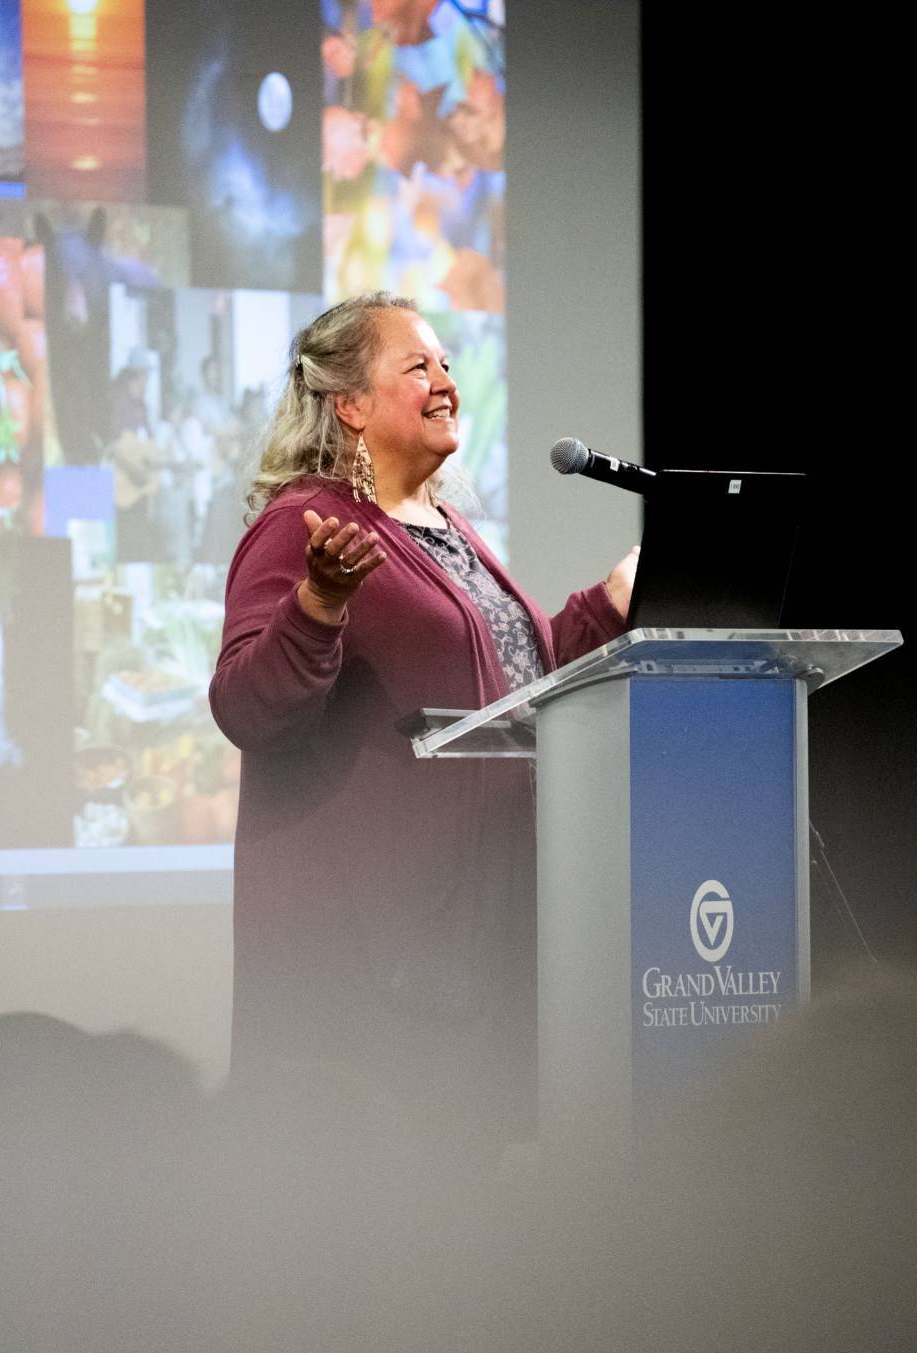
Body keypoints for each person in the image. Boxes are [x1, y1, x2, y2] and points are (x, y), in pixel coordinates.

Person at [208, 292, 637, 1150]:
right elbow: (245, 704)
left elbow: (513, 681)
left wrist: (615, 601)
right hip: (378, 953)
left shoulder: (448, 530)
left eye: (447, 364)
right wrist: (318, 603)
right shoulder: (306, 525)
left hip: (484, 923)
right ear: (350, 405)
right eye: (419, 366)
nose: (446, 382)